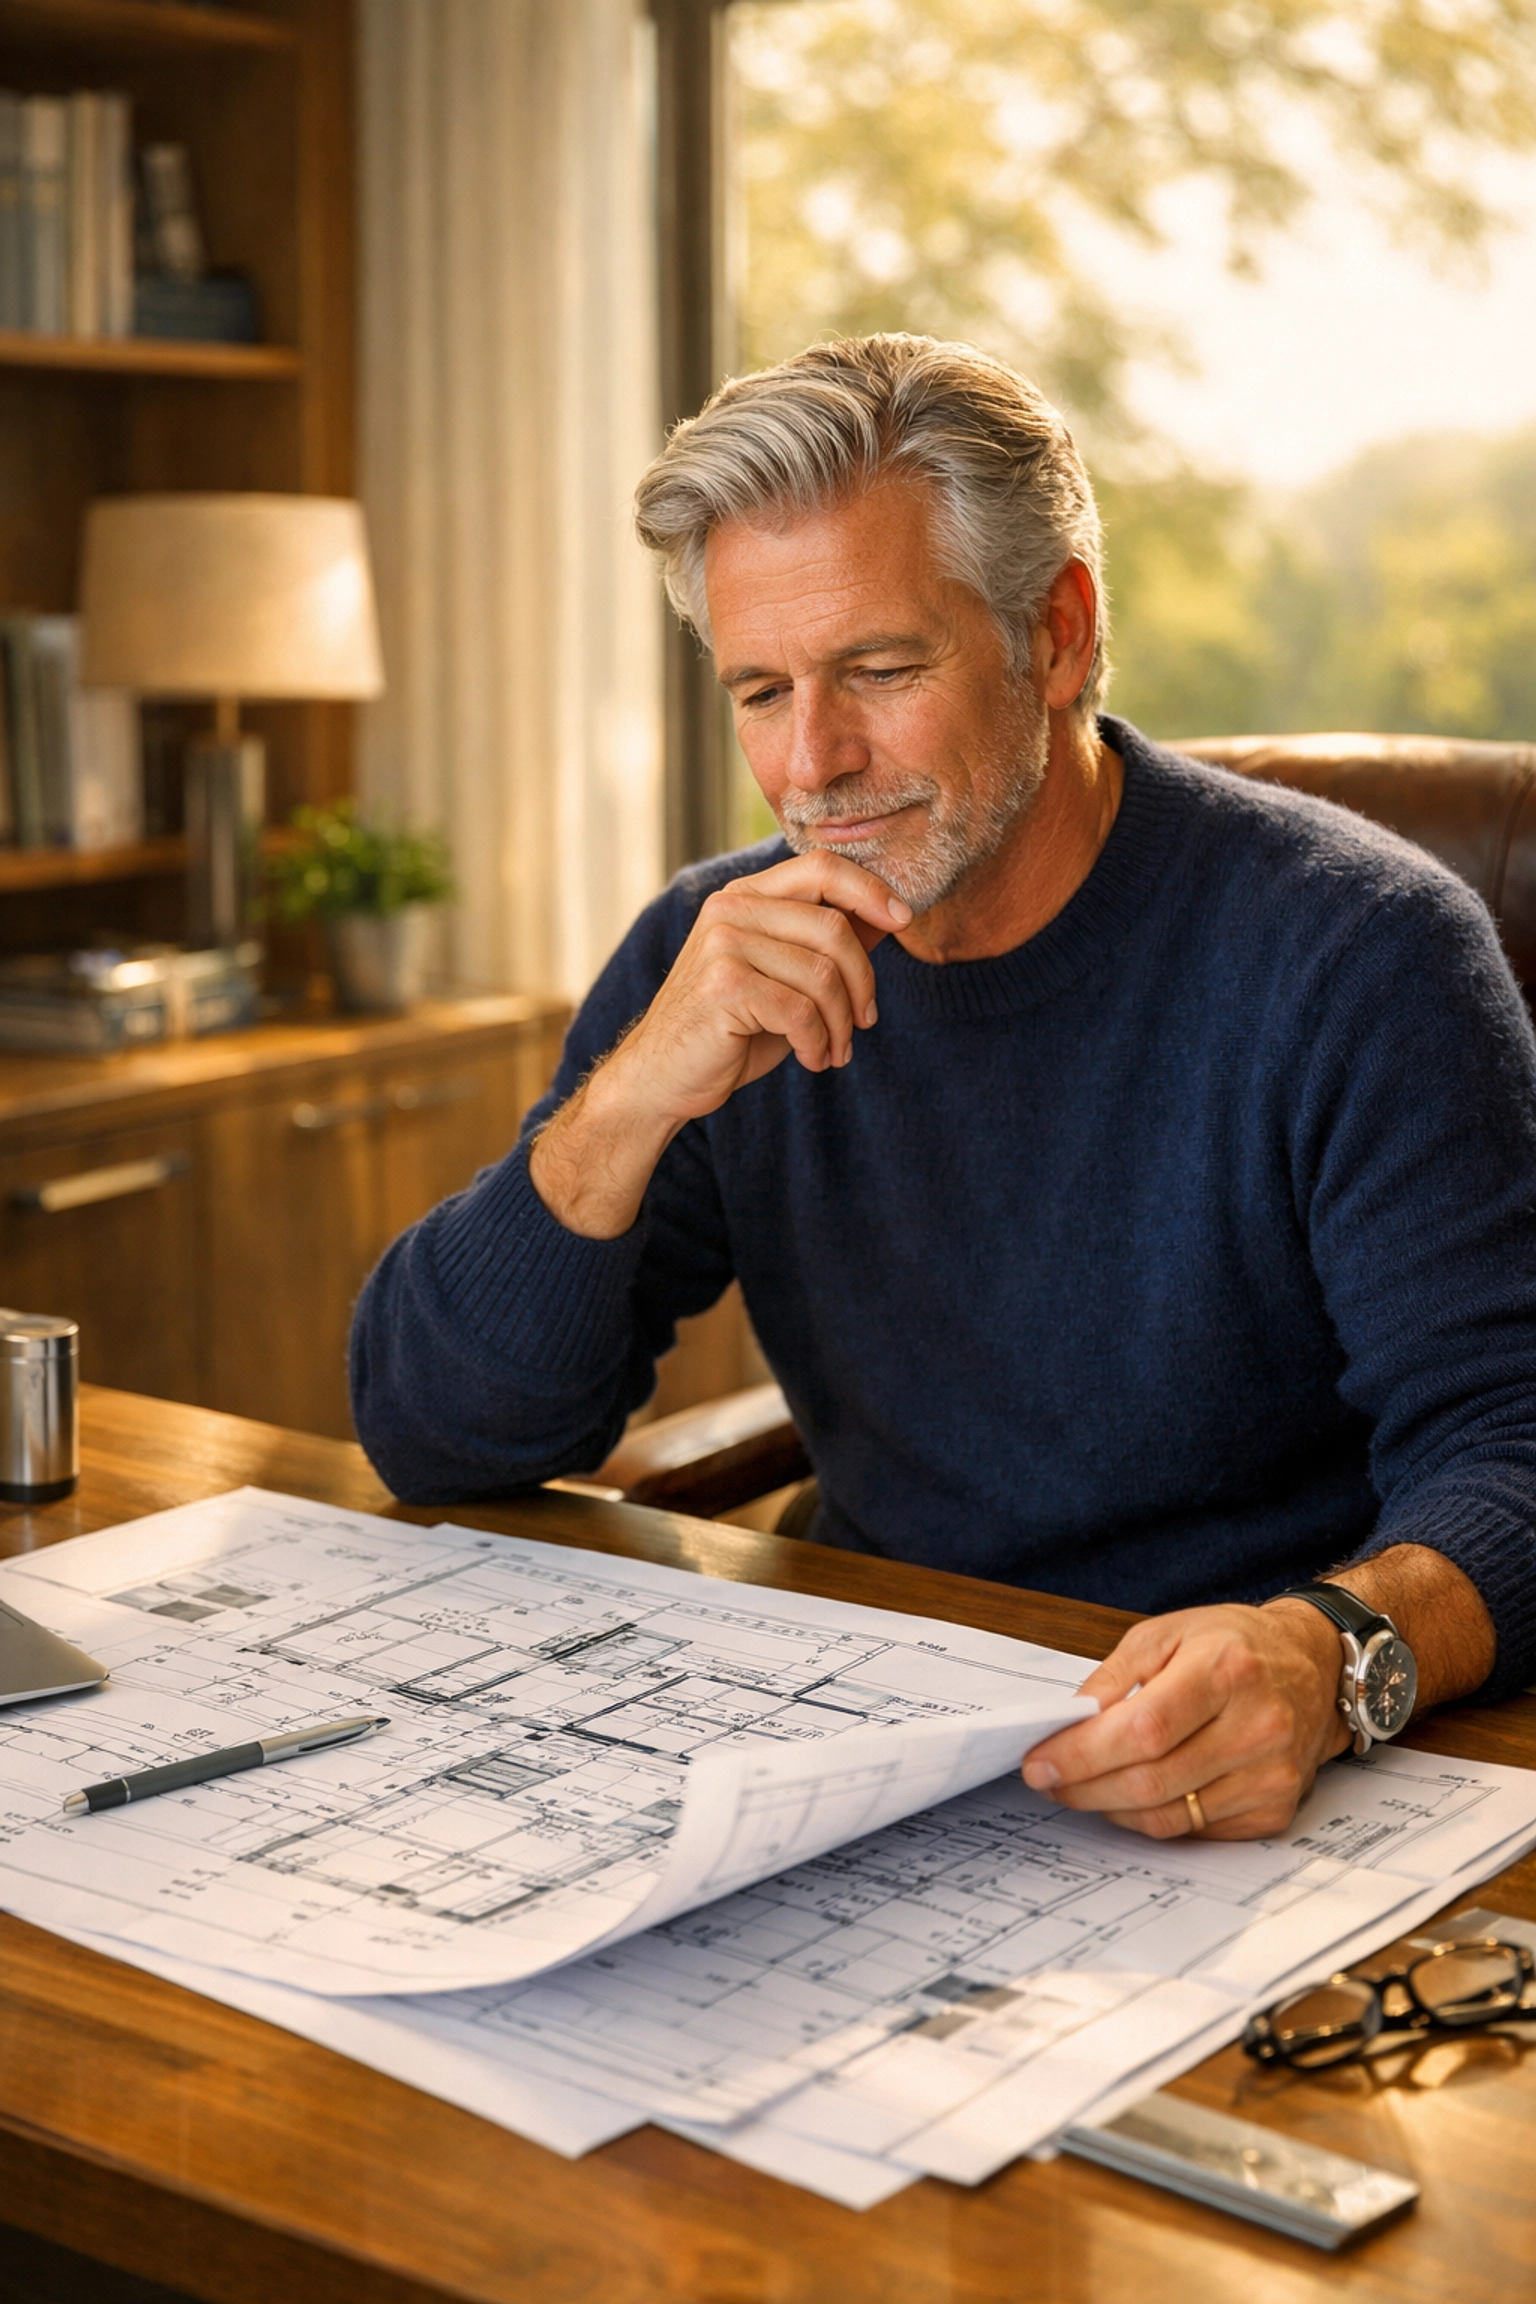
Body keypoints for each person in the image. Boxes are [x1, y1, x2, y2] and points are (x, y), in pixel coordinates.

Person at [351, 333, 1536, 1847]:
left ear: (1056, 636)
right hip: (872, 1729)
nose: (814, 764)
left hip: (1242, 1768)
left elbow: (1511, 1450)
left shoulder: (1358, 953)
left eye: (882, 670)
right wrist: (632, 1099)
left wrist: (1325, 1654)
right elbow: (431, 1438)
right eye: (762, 690)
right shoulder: (719, 953)